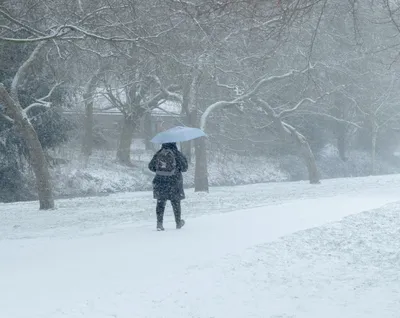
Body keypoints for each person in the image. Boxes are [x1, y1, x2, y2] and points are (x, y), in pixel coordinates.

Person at [148, 142, 188, 231]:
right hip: (174, 182)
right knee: (176, 202)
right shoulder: (177, 153)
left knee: (160, 203)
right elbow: (185, 168)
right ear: (174, 144)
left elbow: (150, 166)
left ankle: (159, 223)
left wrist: (160, 171)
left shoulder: (159, 153)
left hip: (160, 182)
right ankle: (178, 223)